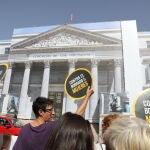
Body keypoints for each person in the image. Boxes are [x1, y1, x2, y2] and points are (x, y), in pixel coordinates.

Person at [13, 86, 94, 150]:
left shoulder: (24, 129)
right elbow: (77, 116)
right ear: (41, 112)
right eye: (50, 110)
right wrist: (87, 96)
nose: (53, 113)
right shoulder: (52, 127)